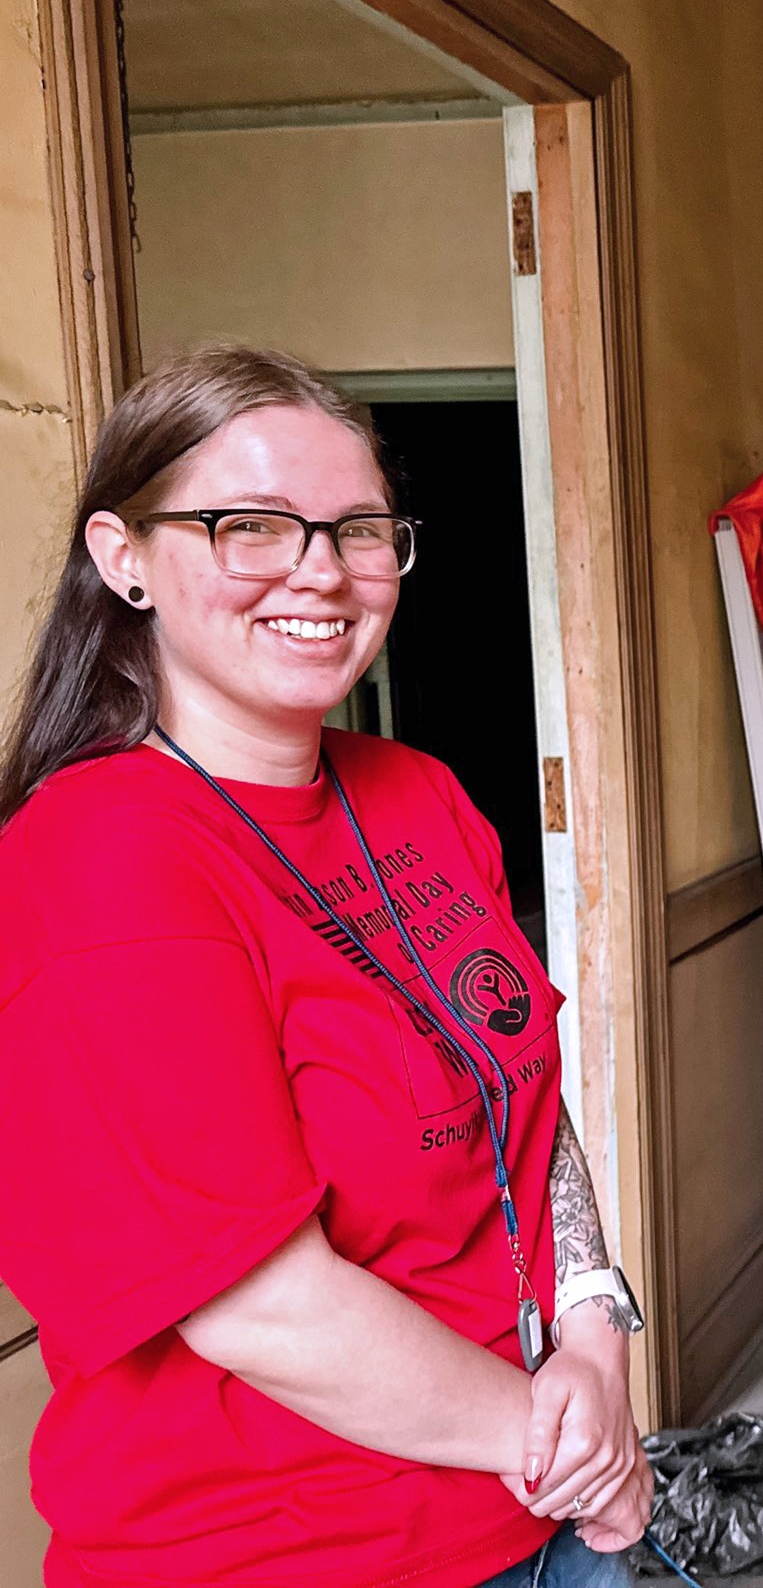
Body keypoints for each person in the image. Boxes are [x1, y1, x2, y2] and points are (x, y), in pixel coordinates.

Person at [0, 346, 652, 1588]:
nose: (320, 569)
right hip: (294, 1549)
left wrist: (595, 1328)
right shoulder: (96, 858)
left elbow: (523, 1105)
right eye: (250, 524)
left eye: (358, 529)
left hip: (541, 1499)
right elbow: (257, 1300)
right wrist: (576, 1451)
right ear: (122, 556)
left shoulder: (417, 791)